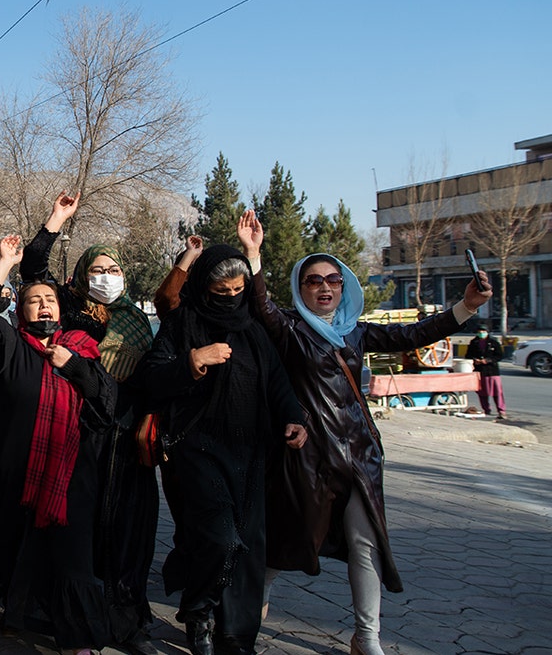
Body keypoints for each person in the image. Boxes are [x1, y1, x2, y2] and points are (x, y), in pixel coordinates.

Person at [236, 210, 492, 655]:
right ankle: (250, 613)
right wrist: (253, 254)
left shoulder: (354, 333)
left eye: (333, 279)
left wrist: (466, 306)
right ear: (301, 288)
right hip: (308, 459)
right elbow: (261, 308)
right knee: (286, 542)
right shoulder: (291, 331)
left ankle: (366, 637)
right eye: (313, 280)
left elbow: (414, 333)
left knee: (364, 542)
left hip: (360, 454)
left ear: (344, 286)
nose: (324, 287)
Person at [132, 244, 308, 655]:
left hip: (251, 452)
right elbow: (150, 378)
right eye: (221, 290)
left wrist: (293, 418)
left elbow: (278, 383)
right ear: (204, 286)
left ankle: (235, 635)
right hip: (197, 449)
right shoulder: (182, 323)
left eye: (237, 289)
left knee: (248, 549)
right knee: (221, 539)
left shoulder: (254, 329)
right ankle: (198, 611)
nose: (230, 297)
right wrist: (192, 361)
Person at [19, 191, 160, 654]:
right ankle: (71, 618)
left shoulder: (138, 322)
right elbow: (33, 268)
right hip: (81, 435)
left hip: (127, 438)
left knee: (127, 535)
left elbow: (154, 375)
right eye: (97, 270)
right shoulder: (70, 308)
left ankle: (126, 621)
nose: (106, 278)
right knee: (79, 534)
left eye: (114, 270)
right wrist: (56, 219)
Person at [0, 235, 116, 654]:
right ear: (21, 311)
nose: (44, 304)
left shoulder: (83, 349)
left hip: (70, 477)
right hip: (15, 472)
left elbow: (106, 406)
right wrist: (4, 266)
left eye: (50, 299)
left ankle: (79, 639)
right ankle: (16, 613)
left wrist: (77, 369)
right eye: (34, 300)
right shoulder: (10, 345)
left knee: (72, 559)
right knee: (19, 550)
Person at [467, 326, 505, 419]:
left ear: (487, 332)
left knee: (497, 392)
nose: (481, 333)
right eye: (479, 331)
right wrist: (474, 360)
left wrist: (488, 360)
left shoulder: (493, 342)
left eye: (483, 331)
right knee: (482, 393)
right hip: (480, 371)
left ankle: (501, 411)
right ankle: (486, 409)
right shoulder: (473, 343)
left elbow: (499, 356)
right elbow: (468, 355)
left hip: (492, 371)